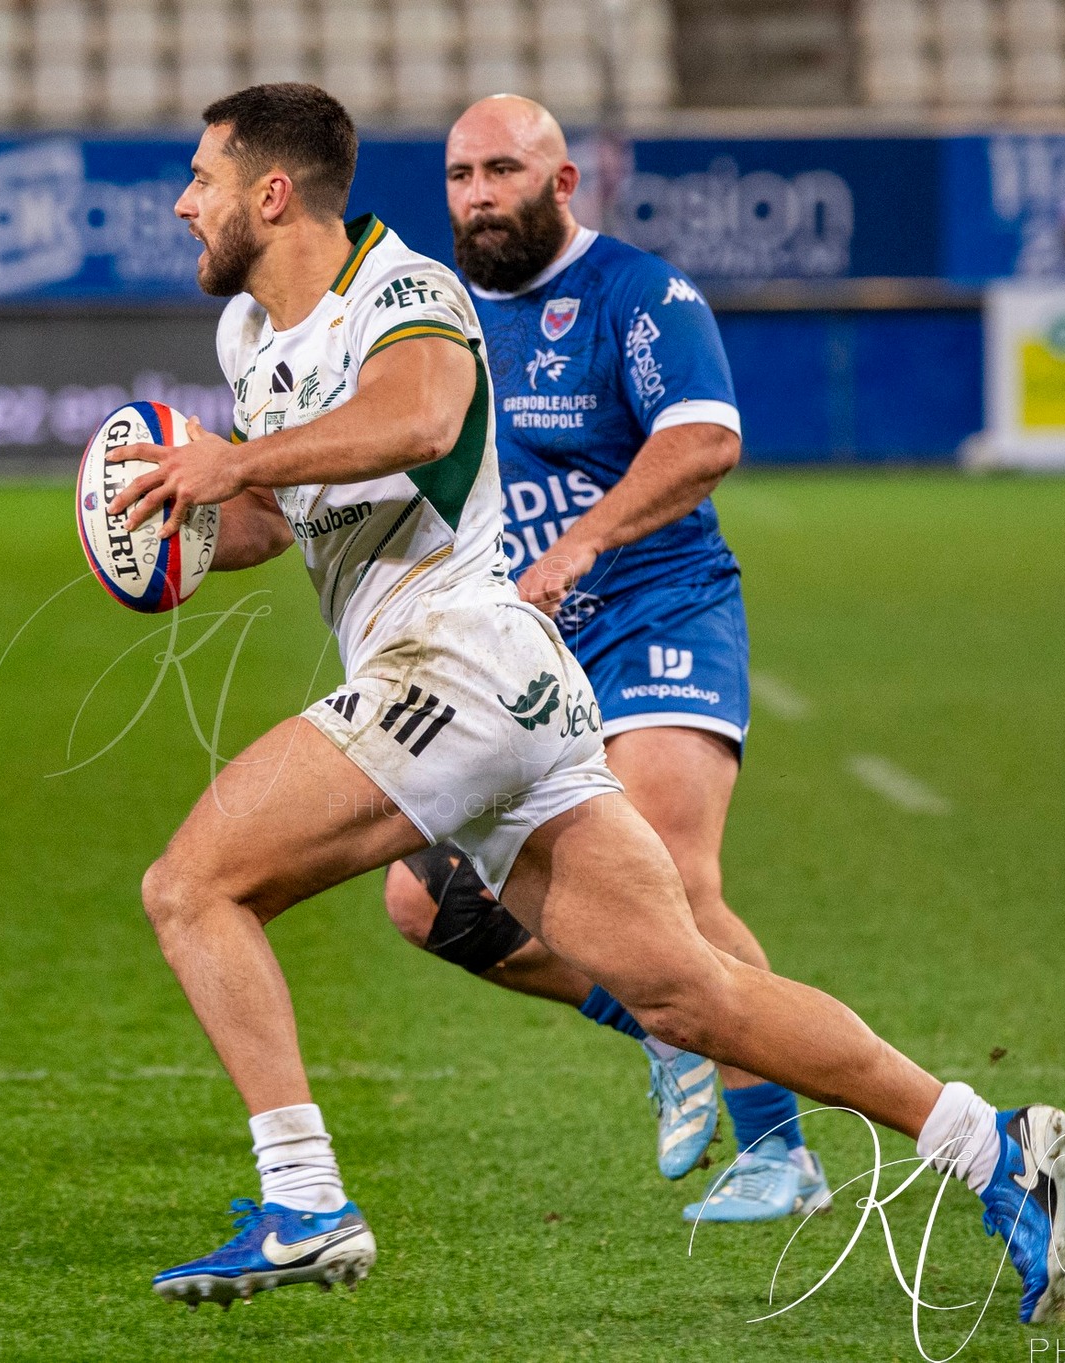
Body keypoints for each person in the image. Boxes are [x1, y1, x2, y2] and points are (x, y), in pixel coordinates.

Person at [106, 81, 1065, 1324]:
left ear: (272, 192)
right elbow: (274, 513)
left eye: (200, 179)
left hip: (449, 667)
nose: (181, 203)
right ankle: (997, 1147)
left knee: (191, 887)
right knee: (688, 993)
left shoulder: (402, 290)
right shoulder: (250, 335)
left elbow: (421, 416)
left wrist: (234, 457)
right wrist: (183, 526)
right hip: (510, 692)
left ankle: (304, 1200)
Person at [379, 95, 822, 1223]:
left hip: (657, 609)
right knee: (426, 903)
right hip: (520, 645)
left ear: (562, 182)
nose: (478, 196)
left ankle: (777, 1151)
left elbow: (704, 437)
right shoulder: (432, 320)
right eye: (459, 176)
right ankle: (659, 1023)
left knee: (669, 875)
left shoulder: (639, 293)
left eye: (501, 171)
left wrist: (582, 540)